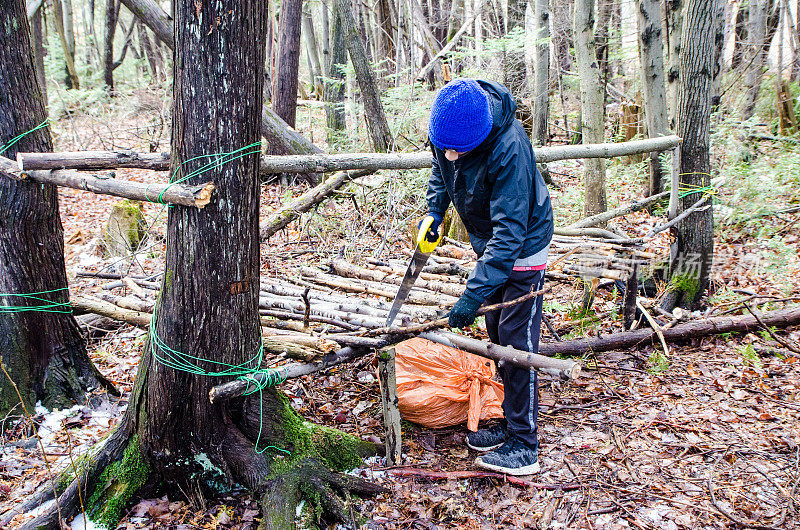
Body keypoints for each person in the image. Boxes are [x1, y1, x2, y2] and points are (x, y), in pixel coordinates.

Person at [421, 78, 554, 475]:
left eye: (456, 150)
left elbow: (510, 235)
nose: (448, 153)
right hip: (491, 243)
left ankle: (524, 444)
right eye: (443, 146)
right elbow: (440, 171)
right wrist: (434, 211)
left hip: (524, 245)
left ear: (478, 138)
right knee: (497, 333)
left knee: (516, 343)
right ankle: (508, 422)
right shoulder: (449, 126)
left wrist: (471, 297)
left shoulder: (509, 148)